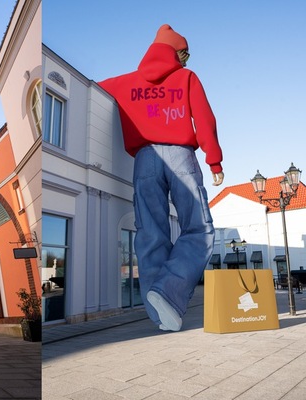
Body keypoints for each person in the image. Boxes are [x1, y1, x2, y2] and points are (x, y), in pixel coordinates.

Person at [98, 24, 224, 332]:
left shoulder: (125, 82)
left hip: (145, 159)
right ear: (177, 53)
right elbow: (204, 118)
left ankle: (161, 315)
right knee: (198, 227)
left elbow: (93, 90)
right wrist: (215, 161)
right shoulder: (186, 78)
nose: (186, 61)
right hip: (180, 155)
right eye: (185, 55)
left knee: (150, 234)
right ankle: (168, 293)